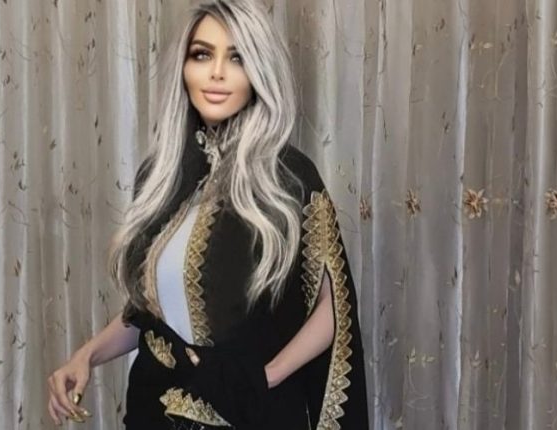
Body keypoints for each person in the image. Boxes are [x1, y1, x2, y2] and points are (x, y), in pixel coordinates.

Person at [47, 1, 368, 428]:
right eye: (202, 54)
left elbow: (332, 309)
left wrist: (262, 379)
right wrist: (85, 356)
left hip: (248, 413)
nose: (217, 72)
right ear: (184, 67)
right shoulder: (162, 178)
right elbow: (151, 314)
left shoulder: (287, 179)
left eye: (237, 58)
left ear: (259, 72)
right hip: (154, 410)